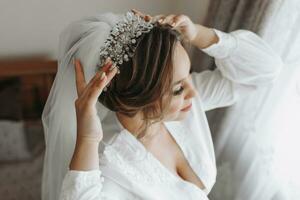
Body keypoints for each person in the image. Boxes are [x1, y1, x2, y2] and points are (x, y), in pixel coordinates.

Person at [41, 9, 283, 200]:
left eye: (189, 75)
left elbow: (267, 71)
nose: (193, 91)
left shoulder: (188, 106)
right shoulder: (111, 164)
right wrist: (88, 139)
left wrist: (199, 34)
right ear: (140, 96)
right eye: (178, 88)